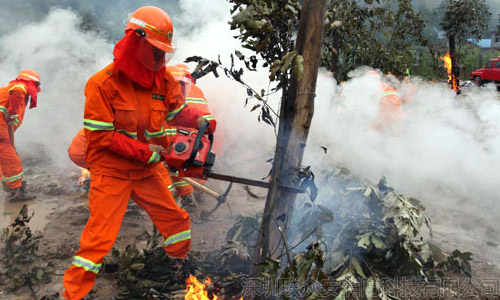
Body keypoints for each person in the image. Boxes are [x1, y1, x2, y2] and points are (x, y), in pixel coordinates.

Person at [62, 6, 216, 300]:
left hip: (148, 171)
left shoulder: (164, 80)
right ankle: (73, 295)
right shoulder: (102, 84)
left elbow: (179, 111)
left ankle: (179, 267)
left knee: (176, 220)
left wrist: (200, 120)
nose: (160, 59)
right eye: (155, 51)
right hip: (112, 172)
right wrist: (147, 152)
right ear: (136, 42)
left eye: (164, 53)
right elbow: (100, 136)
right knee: (98, 241)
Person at [0, 70, 41, 201]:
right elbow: (17, 91)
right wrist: (12, 113)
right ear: (32, 83)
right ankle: (16, 191)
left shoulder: (11, 91)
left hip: (2, 132)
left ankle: (12, 187)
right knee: (12, 161)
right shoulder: (19, 87)